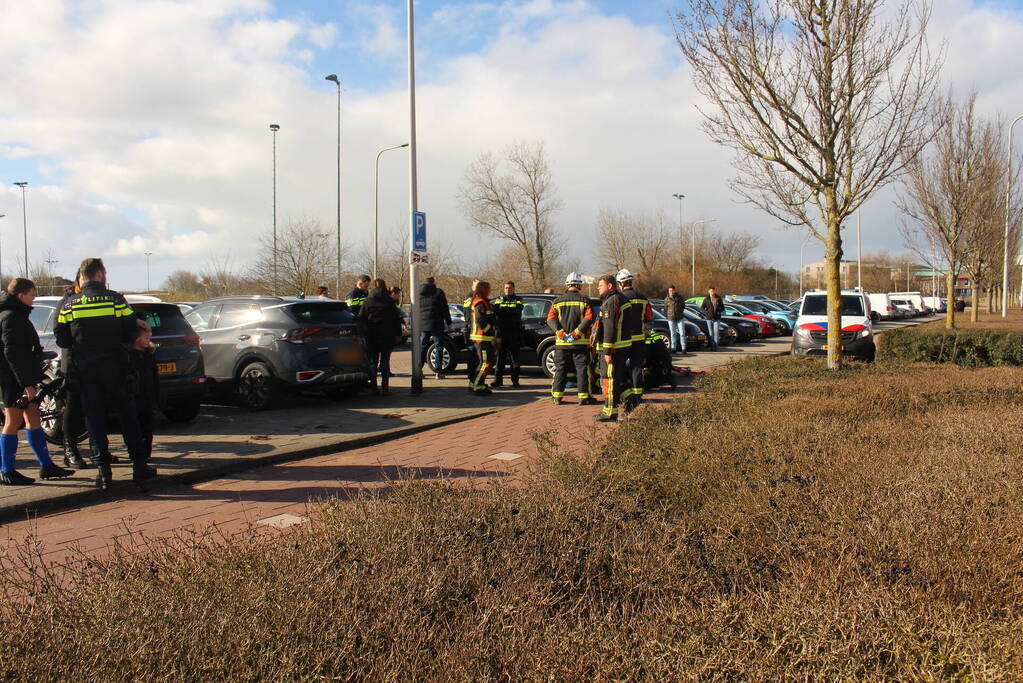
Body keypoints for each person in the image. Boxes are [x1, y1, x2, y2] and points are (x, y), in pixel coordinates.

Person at [55, 258, 154, 490]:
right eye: (105, 273)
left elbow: (62, 340)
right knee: (127, 415)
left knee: (94, 419)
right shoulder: (116, 300)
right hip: (116, 367)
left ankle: (103, 472)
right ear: (99, 274)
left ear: (82, 276)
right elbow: (131, 331)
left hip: (86, 370)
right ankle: (139, 467)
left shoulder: (70, 305)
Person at [0, 278, 74, 485]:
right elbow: (12, 353)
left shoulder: (16, 315)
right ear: (21, 295)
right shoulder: (10, 318)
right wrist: (26, 384)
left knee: (33, 416)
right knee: (12, 421)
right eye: (32, 295)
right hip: (12, 379)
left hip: (21, 376)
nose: (34, 299)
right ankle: (6, 470)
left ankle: (46, 465)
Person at [547, 273, 596, 405]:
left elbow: (550, 319)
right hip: (580, 343)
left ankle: (557, 397)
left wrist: (561, 333)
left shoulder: (557, 301)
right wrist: (576, 333)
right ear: (579, 285)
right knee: (581, 370)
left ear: (567, 285)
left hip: (562, 343)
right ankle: (584, 397)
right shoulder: (585, 301)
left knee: (560, 369)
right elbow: (589, 318)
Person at [58, 275, 89, 469]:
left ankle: (98, 448)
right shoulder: (67, 302)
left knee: (94, 408)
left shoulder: (91, 300)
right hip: (73, 363)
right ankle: (70, 449)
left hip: (92, 363)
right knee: (73, 407)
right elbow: (60, 334)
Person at [593, 274, 631, 423]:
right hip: (621, 347)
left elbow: (609, 328)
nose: (598, 288)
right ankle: (627, 399)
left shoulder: (611, 302)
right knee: (614, 379)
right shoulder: (620, 299)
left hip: (613, 349)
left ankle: (609, 412)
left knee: (609, 380)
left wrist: (607, 351)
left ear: (609, 286)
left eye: (600, 285)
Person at [359, 278, 403, 395]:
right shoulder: (389, 302)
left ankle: (374, 387)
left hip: (372, 336)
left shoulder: (367, 301)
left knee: (373, 362)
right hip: (387, 336)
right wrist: (398, 334)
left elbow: (361, 318)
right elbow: (396, 320)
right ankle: (385, 388)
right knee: (385, 362)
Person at [617, 269, 652, 412]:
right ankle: (638, 395)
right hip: (639, 338)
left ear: (621, 283)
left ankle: (625, 393)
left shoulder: (619, 298)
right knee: (636, 367)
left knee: (619, 367)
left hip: (624, 340)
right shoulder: (643, 298)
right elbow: (649, 318)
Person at [128, 319, 159, 465]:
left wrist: (157, 398)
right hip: (135, 399)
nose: (149, 341)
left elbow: (154, 378)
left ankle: (146, 453)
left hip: (148, 399)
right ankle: (138, 454)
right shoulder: (129, 357)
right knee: (136, 428)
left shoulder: (149, 355)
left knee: (147, 428)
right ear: (136, 338)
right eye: (147, 338)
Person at [418, 277, 452, 379]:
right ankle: (438, 372)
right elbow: (444, 308)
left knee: (423, 346)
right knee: (438, 346)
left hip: (423, 324)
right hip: (437, 323)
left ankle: (418, 369)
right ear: (433, 283)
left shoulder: (419, 293)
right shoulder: (438, 292)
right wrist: (449, 322)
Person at [492, 281, 524, 388]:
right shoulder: (498, 299)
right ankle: (498, 380)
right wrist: (506, 311)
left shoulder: (519, 300)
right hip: (500, 334)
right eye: (506, 288)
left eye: (510, 288)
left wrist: (503, 310)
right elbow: (495, 311)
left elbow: (517, 311)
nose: (507, 290)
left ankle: (515, 381)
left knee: (514, 359)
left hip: (514, 333)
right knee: (499, 359)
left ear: (514, 289)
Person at [468, 281, 496, 396]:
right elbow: (480, 321)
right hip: (482, 338)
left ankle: (477, 383)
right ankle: (477, 385)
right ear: (483, 289)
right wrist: (489, 329)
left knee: (486, 362)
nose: (490, 291)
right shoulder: (480, 303)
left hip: (484, 338)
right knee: (486, 362)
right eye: (488, 289)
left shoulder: (483, 302)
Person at [462, 279, 480, 388]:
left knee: (476, 356)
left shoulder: (477, 296)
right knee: (472, 355)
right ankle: (472, 378)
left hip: (475, 330)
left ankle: (474, 378)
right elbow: (469, 310)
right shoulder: (469, 296)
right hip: (471, 329)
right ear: (472, 285)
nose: (478, 287)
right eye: (477, 285)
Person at [664, 285, 688, 354]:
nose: (671, 292)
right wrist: (669, 315)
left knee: (682, 333)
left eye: (672, 290)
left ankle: (683, 348)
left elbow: (683, 306)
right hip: (671, 319)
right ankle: (673, 348)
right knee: (673, 334)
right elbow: (666, 308)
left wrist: (679, 312)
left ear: (675, 290)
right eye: (669, 291)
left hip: (680, 318)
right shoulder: (666, 299)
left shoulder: (680, 297)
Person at [700, 286, 725, 351]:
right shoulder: (706, 299)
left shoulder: (718, 298)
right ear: (709, 291)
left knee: (716, 332)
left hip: (717, 318)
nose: (712, 292)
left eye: (713, 291)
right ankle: (712, 346)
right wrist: (706, 313)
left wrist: (719, 311)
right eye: (711, 291)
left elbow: (723, 308)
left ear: (715, 291)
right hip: (709, 318)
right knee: (711, 333)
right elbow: (702, 308)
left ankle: (715, 347)